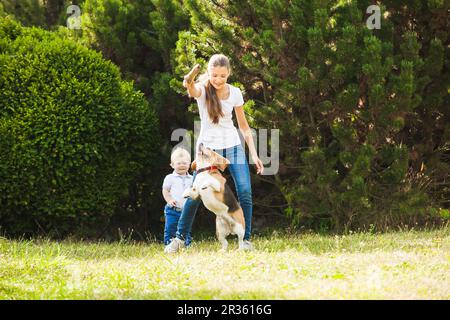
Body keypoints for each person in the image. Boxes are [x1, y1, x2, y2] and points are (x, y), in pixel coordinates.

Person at [164, 54, 264, 253]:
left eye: (223, 76)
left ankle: (245, 240)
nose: (218, 79)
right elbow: (192, 88)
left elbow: (244, 126)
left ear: (229, 74)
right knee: (195, 193)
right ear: (208, 73)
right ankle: (180, 239)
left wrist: (254, 154)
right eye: (214, 75)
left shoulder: (235, 93)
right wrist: (188, 80)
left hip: (233, 146)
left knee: (244, 191)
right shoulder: (203, 90)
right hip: (208, 149)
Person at [162, 147, 193, 248]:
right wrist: (169, 200)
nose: (182, 165)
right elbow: (165, 191)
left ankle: (186, 245)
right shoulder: (170, 178)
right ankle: (169, 245)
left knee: (186, 228)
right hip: (173, 209)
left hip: (186, 210)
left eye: (185, 163)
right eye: (178, 163)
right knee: (171, 227)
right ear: (172, 165)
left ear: (189, 164)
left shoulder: (192, 179)